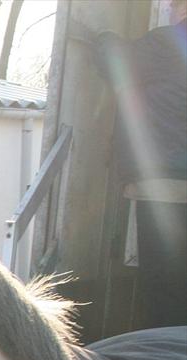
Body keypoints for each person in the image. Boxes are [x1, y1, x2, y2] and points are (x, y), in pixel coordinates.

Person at [79, 0, 187, 328]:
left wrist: (104, 35)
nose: (170, 6)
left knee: (163, 286)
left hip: (167, 186)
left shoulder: (170, 41)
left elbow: (118, 63)